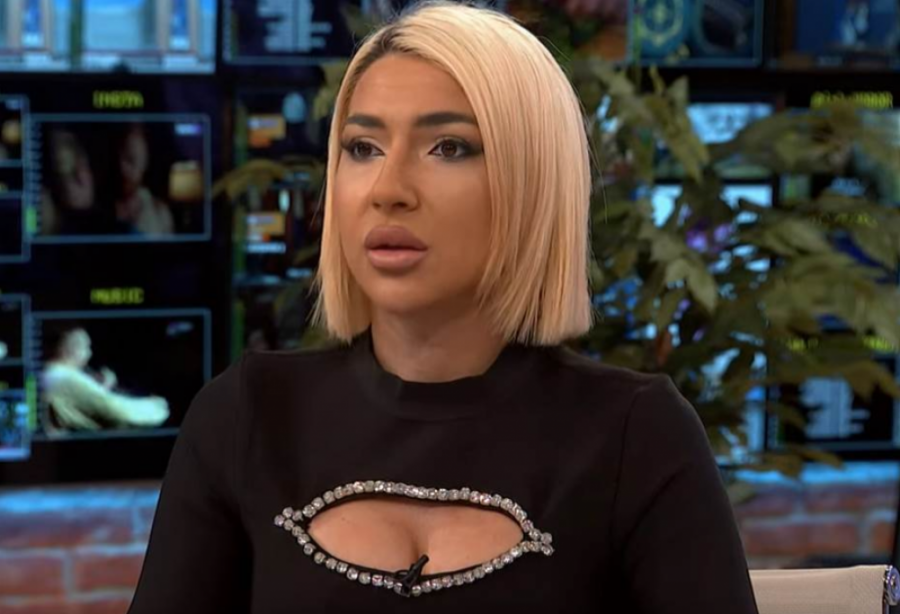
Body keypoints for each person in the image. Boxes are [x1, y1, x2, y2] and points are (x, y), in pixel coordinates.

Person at [128, 2, 759, 612]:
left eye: (449, 147)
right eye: (363, 147)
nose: (388, 191)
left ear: (531, 180)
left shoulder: (635, 434)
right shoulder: (247, 416)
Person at [41, 328, 169, 432]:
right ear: (70, 350)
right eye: (86, 347)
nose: (90, 353)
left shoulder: (56, 374)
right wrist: (157, 406)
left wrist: (101, 387)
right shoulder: (63, 378)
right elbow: (119, 414)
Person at [113, 124, 174, 236]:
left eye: (131, 160)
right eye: (117, 157)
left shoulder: (159, 212)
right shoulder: (102, 210)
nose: (122, 167)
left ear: (144, 164)